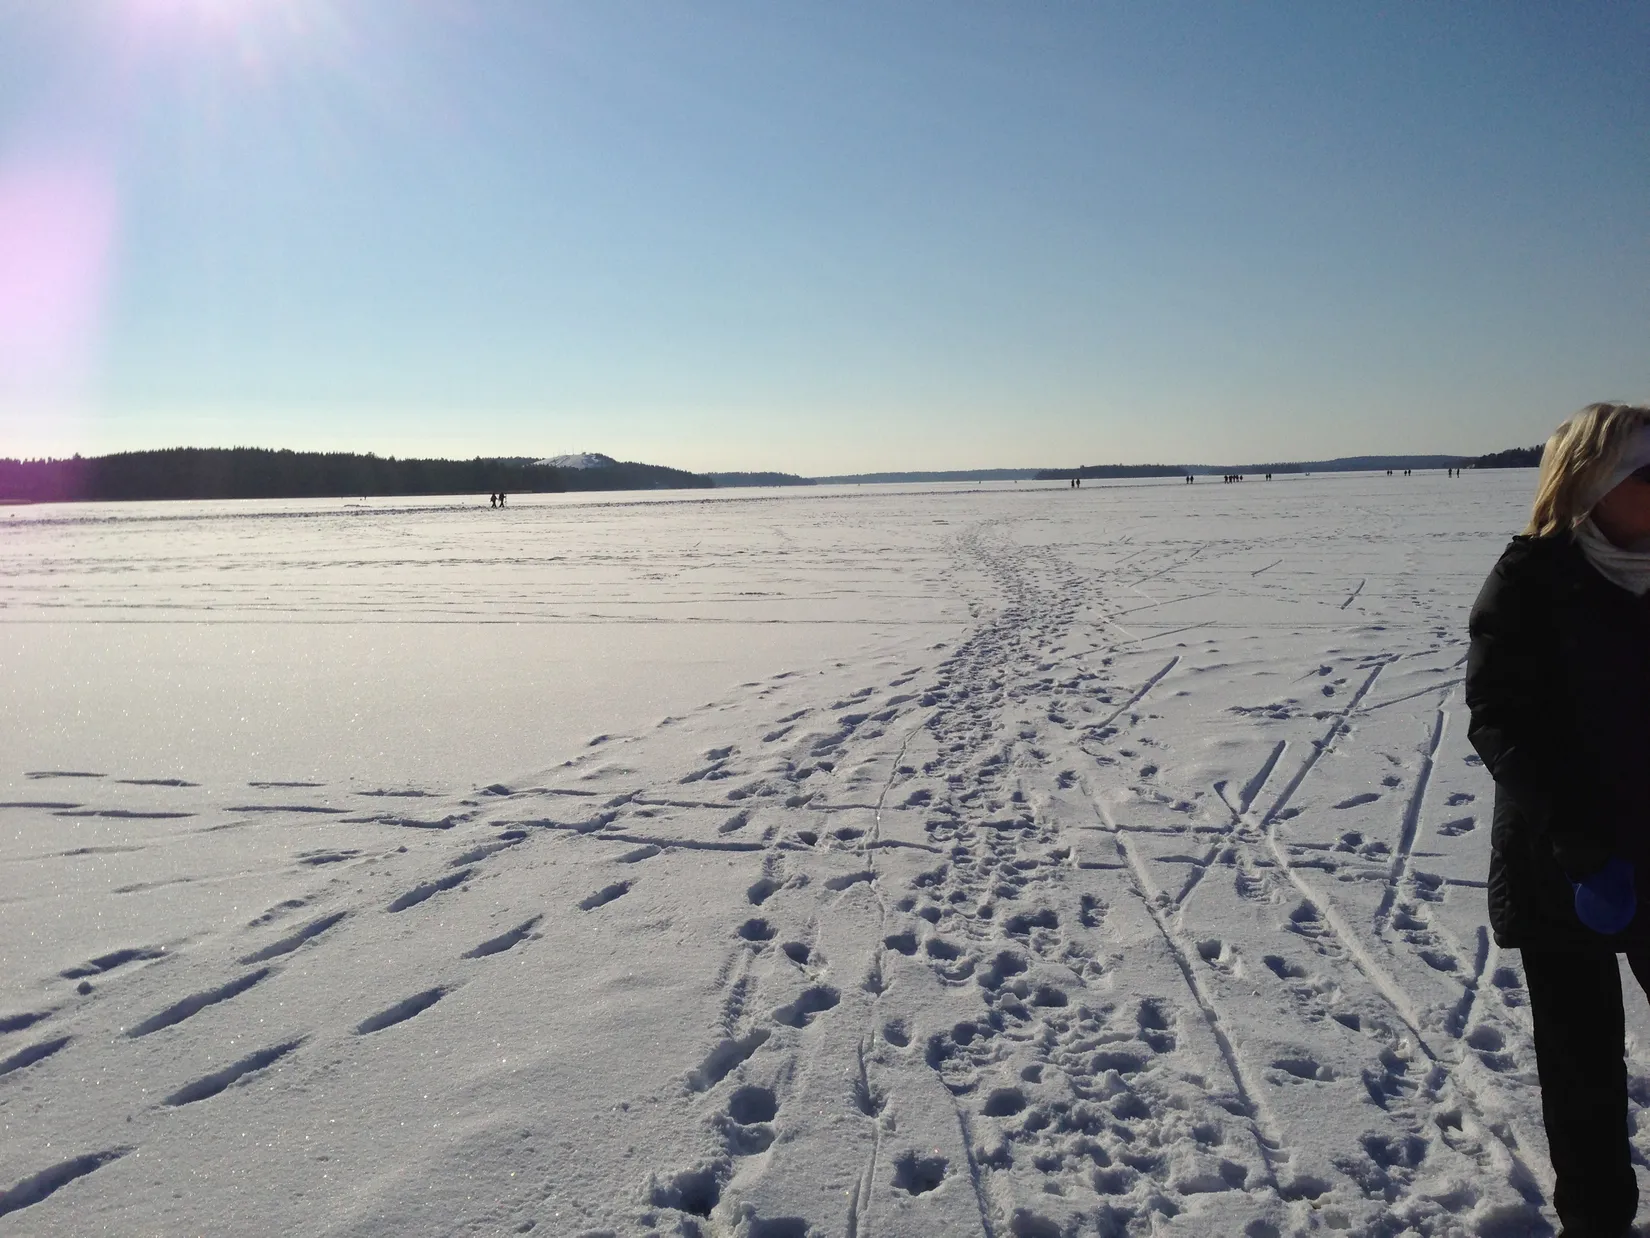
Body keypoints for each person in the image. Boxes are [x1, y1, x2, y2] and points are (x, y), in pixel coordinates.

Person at [1466, 402, 1650, 1238]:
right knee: (1582, 1073)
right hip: (1563, 863)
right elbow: (1500, 719)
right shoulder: (1530, 580)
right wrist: (1576, 843)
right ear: (1595, 484)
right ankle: (1598, 1223)